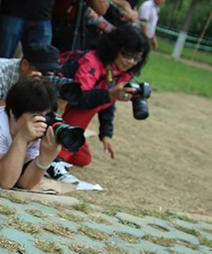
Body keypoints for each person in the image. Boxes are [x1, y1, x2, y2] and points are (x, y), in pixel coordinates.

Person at [50, 25, 150, 172]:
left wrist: (106, 134)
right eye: (126, 54)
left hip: (69, 118)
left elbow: (108, 104)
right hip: (53, 109)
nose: (130, 61)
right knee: (89, 107)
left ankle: (58, 150)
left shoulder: (122, 72)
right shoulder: (92, 61)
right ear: (114, 48)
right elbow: (79, 98)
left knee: (83, 158)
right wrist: (110, 94)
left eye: (136, 58)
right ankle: (55, 160)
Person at [0, 45, 61, 112]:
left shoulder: (48, 80)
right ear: (25, 65)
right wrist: (23, 90)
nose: (44, 77)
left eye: (50, 73)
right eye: (41, 72)